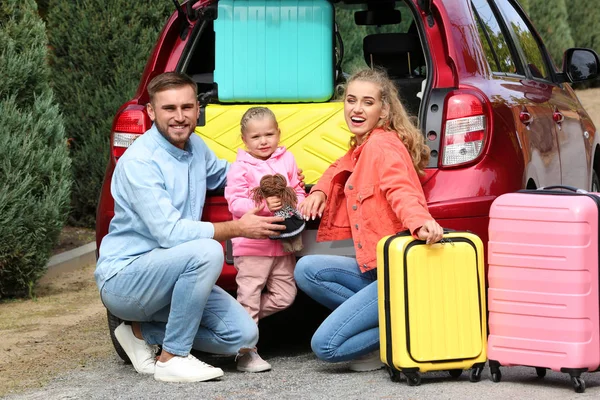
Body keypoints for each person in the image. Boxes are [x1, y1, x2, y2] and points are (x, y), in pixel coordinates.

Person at [94, 72, 304, 383]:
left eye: (187, 107)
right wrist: (237, 228)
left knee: (244, 335)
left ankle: (140, 330)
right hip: (127, 279)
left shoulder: (195, 147)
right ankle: (173, 358)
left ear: (196, 110)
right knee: (206, 250)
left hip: (177, 274)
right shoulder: (140, 162)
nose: (179, 117)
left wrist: (273, 172)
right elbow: (170, 234)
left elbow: (226, 174)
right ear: (151, 112)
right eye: (169, 109)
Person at [295, 68, 444, 372]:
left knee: (325, 345)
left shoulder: (382, 146)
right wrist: (321, 190)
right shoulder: (365, 144)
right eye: (351, 100)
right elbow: (340, 164)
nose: (357, 109)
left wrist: (419, 221)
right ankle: (397, 323)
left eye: (367, 102)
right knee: (307, 268)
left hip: (397, 273)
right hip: (375, 270)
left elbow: (400, 189)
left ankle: (406, 332)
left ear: (384, 110)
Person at [224, 107, 306, 372]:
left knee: (285, 296)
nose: (263, 141)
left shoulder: (287, 159)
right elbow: (235, 202)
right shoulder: (240, 167)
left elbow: (297, 190)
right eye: (256, 136)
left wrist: (301, 207)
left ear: (278, 133)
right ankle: (245, 353)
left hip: (283, 245)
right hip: (253, 246)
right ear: (244, 139)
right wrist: (263, 204)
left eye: (269, 134)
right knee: (249, 296)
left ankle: (235, 318)